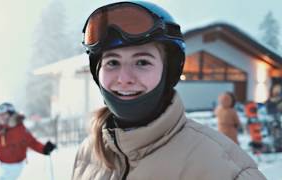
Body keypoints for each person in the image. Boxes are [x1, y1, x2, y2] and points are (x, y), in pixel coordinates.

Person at [72, 1, 266, 180]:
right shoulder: (88, 153)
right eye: (112, 62)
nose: (124, 79)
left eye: (142, 62)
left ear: (169, 71)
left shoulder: (226, 170)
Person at [0, 102, 56, 180]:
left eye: (4, 114)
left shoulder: (19, 129)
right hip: (4, 166)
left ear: (11, 115)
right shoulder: (3, 129)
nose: (0, 116)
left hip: (14, 166)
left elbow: (32, 142)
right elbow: (0, 148)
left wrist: (44, 149)